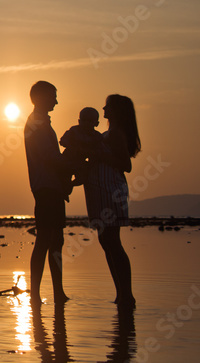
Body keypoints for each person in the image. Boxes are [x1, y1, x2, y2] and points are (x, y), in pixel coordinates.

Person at [84, 94, 140, 306]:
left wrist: (98, 156)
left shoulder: (116, 134)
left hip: (110, 190)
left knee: (112, 242)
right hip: (101, 190)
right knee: (106, 241)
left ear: (115, 111)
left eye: (107, 106)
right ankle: (121, 294)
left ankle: (127, 294)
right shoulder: (109, 133)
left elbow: (126, 165)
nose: (103, 109)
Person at [24, 81, 73, 304]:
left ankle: (56, 292)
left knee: (55, 240)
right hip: (46, 187)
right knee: (46, 238)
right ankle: (37, 294)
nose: (56, 100)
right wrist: (72, 163)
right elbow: (49, 157)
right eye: (53, 96)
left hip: (49, 186)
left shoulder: (41, 123)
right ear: (41, 97)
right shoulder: (37, 124)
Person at [59, 107, 103, 192]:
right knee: (63, 176)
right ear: (79, 121)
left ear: (96, 123)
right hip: (67, 159)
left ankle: (70, 185)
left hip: (81, 162)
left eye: (90, 121)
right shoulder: (74, 130)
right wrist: (72, 146)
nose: (86, 123)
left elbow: (99, 151)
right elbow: (63, 140)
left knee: (83, 177)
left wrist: (90, 154)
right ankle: (64, 189)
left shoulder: (97, 136)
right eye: (84, 120)